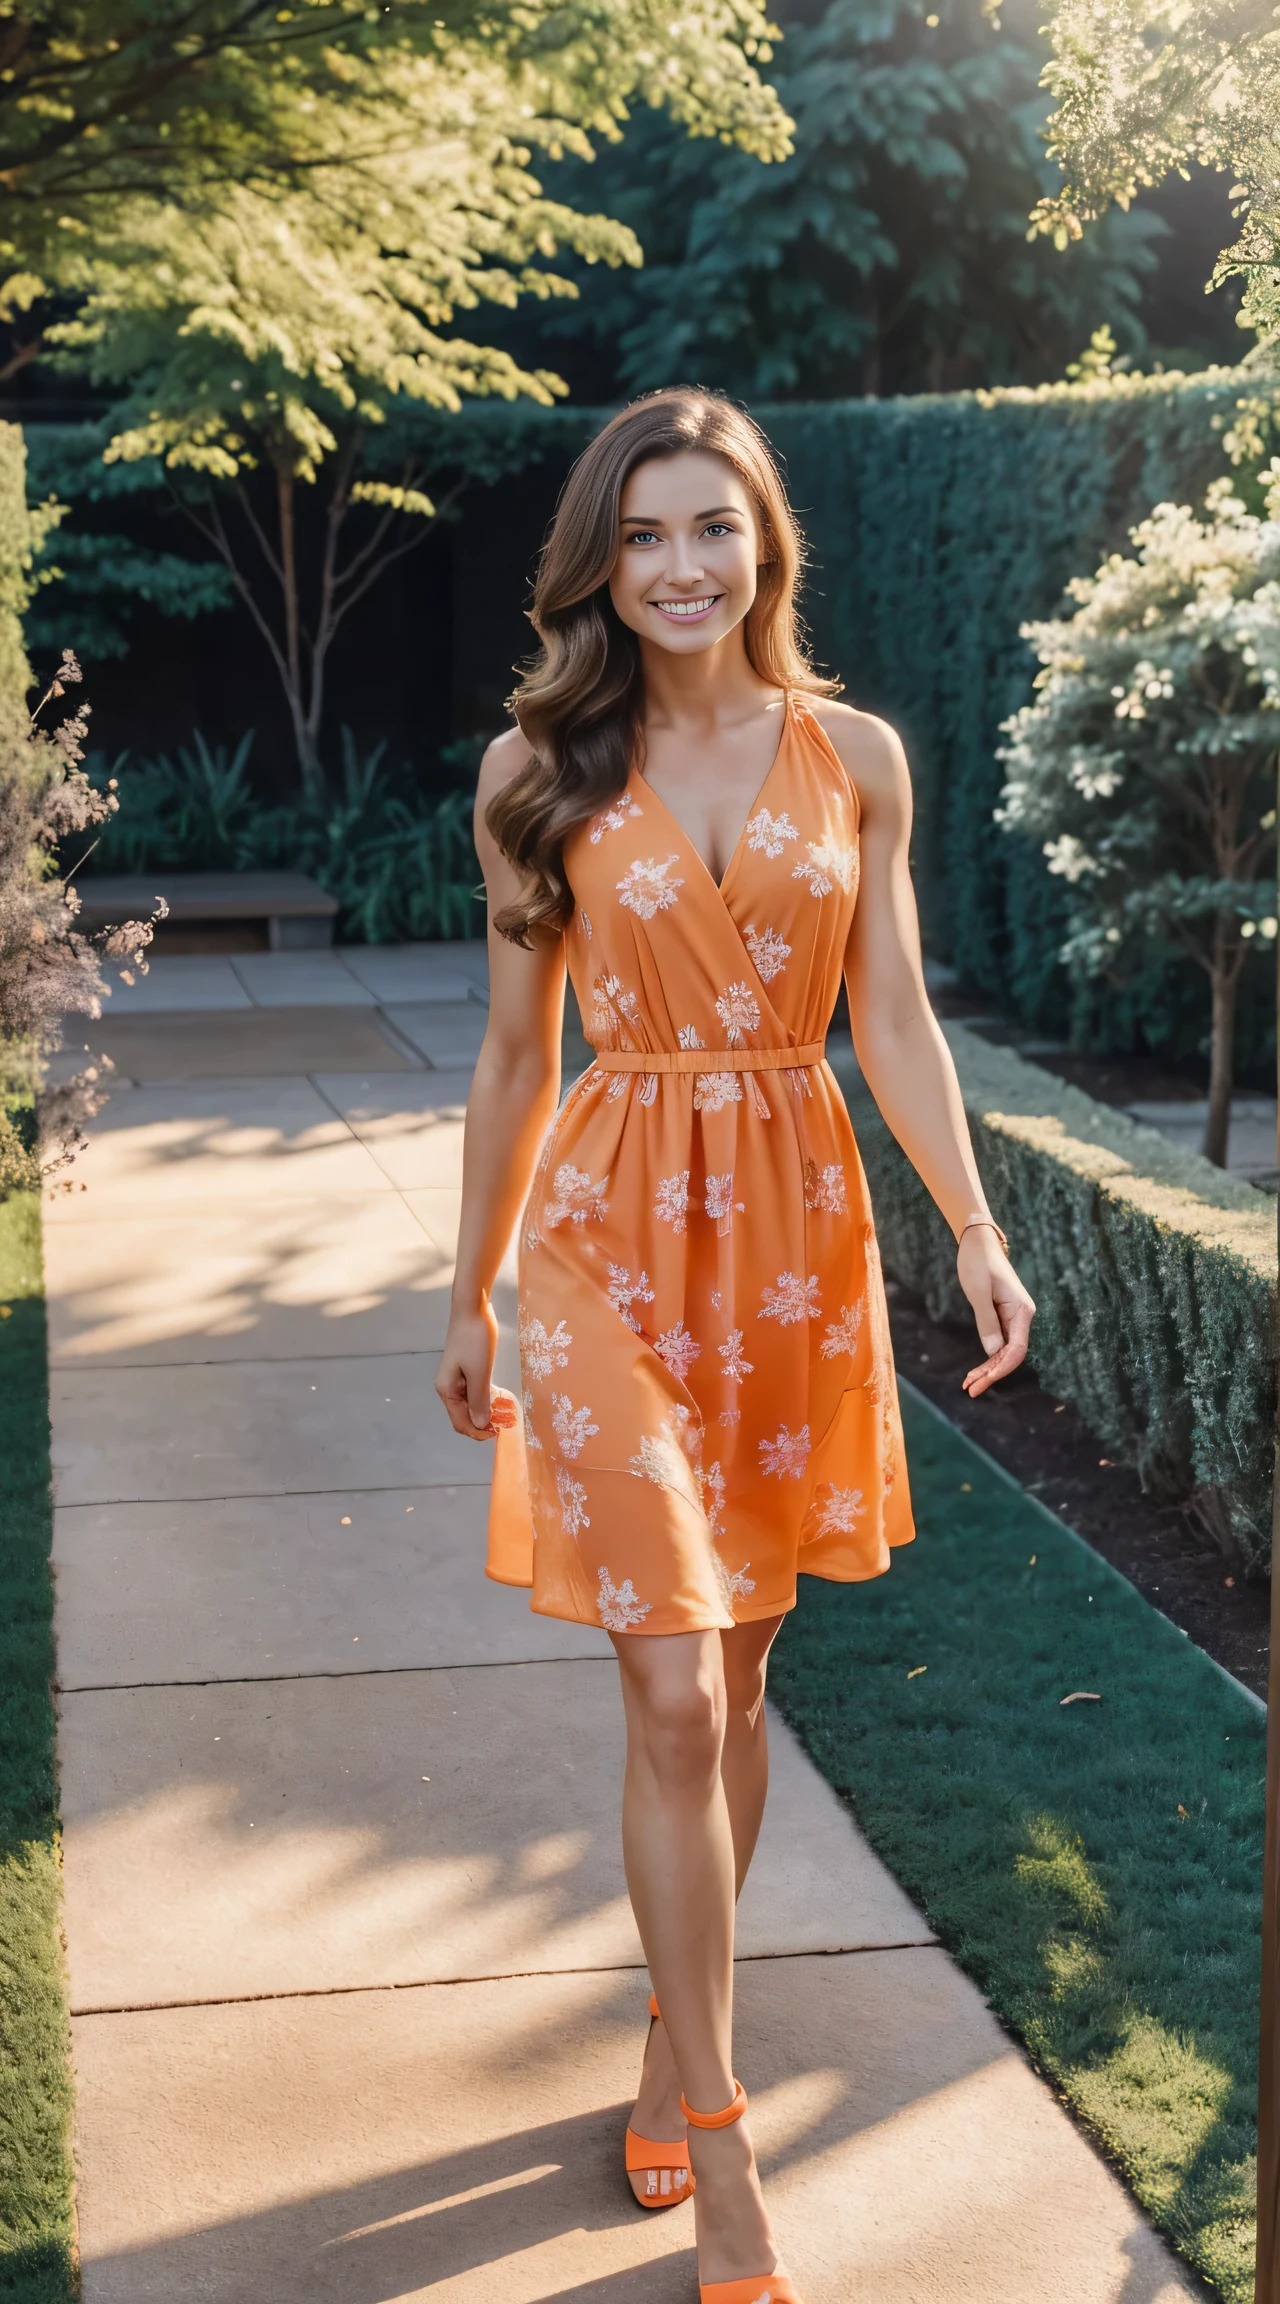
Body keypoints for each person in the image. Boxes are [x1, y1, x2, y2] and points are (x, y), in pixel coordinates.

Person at [436, 387, 1035, 2304]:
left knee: (746, 1678)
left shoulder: (851, 755)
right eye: (645, 536)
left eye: (716, 529)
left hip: (793, 1241)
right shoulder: (540, 768)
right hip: (607, 1238)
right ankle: (723, 2133)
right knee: (673, 1697)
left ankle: (668, 2031)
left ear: (767, 545)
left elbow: (903, 1022)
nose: (683, 567)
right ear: (600, 564)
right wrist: (469, 1290)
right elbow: (522, 1056)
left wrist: (975, 1224)